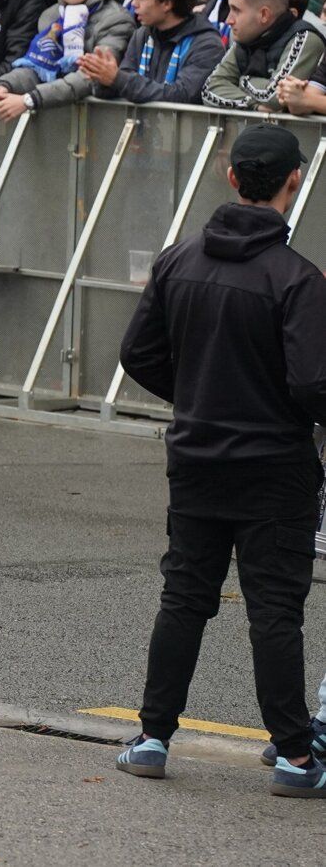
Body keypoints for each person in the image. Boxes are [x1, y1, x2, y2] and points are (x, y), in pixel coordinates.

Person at [115, 125, 326, 796]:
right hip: (275, 466)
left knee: (183, 598)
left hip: (197, 456)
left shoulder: (177, 260)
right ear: (293, 182)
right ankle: (294, 757)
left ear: (231, 178)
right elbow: (312, 385)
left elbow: (137, 354)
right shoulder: (298, 278)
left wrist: (198, 393)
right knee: (275, 611)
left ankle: (152, 739)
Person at [0, 0, 135, 120]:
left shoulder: (116, 19)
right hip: (60, 120)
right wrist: (4, 85)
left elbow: (92, 77)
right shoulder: (50, 17)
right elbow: (37, 67)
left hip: (104, 121)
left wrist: (30, 99)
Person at [84, 0, 225, 106]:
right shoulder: (142, 35)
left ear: (166, 3)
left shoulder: (207, 44)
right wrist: (103, 80)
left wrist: (117, 79)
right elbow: (124, 83)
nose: (134, 4)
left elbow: (182, 94)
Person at [202, 0, 325, 111]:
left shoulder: (304, 37)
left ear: (264, 15)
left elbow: (277, 97)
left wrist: (243, 80)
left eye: (236, 10)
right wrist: (254, 106)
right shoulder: (245, 38)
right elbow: (209, 90)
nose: (229, 20)